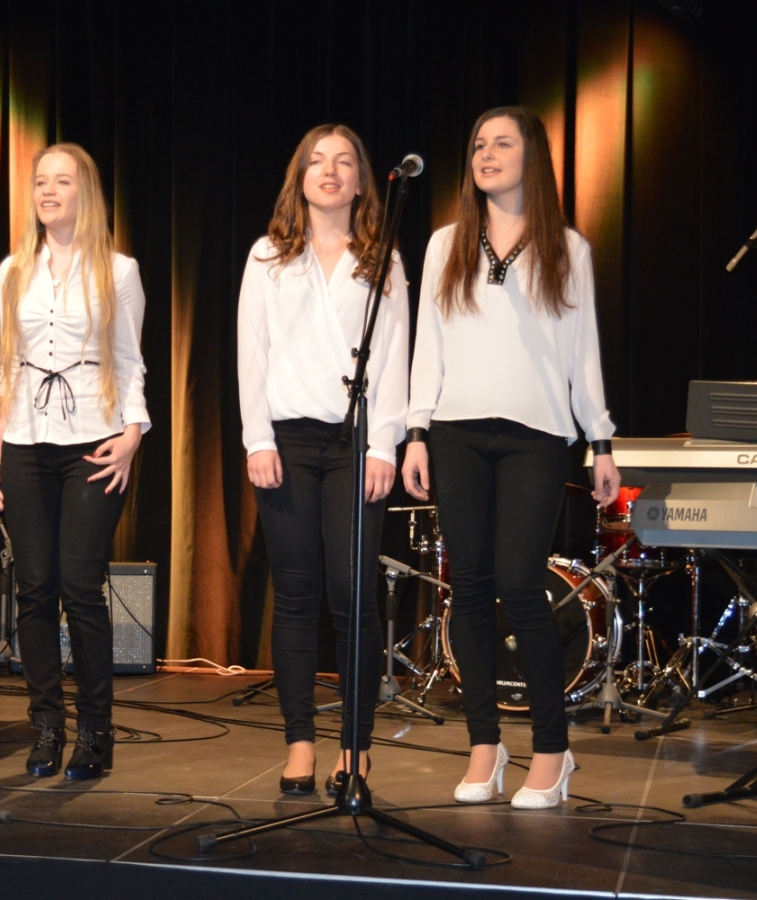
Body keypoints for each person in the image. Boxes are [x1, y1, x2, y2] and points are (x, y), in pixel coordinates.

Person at [401, 106, 621, 809]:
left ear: (533, 158)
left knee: (522, 586)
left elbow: (583, 355)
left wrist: (601, 439)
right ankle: (484, 746)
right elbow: (428, 344)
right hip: (457, 432)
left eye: (502, 143)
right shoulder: (445, 245)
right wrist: (415, 430)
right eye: (478, 145)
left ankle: (552, 751)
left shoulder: (568, 249)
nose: (487, 154)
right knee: (467, 589)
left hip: (536, 434)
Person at [238, 124, 409, 796]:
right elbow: (252, 351)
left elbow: (394, 357)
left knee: (352, 595)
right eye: (316, 161)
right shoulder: (267, 256)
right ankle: (300, 743)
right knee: (295, 594)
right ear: (300, 177)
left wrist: (384, 445)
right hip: (286, 441)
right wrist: (257, 438)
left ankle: (355, 749)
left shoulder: (384, 259)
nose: (329, 171)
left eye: (343, 162)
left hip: (354, 445)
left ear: (362, 180)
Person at [0, 143, 149, 780]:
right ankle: (47, 727)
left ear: (87, 193)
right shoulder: (13, 270)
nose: (48, 191)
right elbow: (8, 364)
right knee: (34, 587)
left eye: (62, 181)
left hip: (93, 441)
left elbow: (130, 360)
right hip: (25, 443)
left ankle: (96, 733)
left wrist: (133, 434)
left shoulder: (119, 270)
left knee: (81, 585)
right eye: (40, 182)